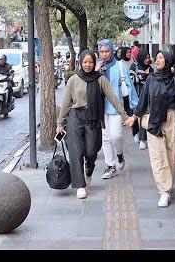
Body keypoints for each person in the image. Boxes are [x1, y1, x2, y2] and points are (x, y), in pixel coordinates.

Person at [56, 50, 130, 199]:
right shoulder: (74, 80)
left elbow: (113, 98)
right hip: (75, 117)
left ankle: (89, 170)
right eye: (85, 62)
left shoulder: (100, 79)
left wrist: (123, 115)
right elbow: (66, 103)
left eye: (90, 62)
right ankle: (80, 185)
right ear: (81, 63)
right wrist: (60, 122)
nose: (88, 65)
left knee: (91, 151)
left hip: (92, 118)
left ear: (94, 63)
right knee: (76, 152)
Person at [125, 51, 175, 207]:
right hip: (154, 119)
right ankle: (164, 191)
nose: (156, 60)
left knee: (172, 155)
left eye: (161, 57)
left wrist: (173, 69)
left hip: (172, 119)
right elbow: (143, 100)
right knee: (158, 156)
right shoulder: (151, 79)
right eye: (156, 57)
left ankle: (168, 185)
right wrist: (134, 117)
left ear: (169, 60)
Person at [96, 39, 139, 178]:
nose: (104, 54)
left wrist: (136, 108)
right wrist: (96, 71)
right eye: (101, 52)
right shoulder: (96, 67)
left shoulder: (120, 66)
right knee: (105, 138)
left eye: (107, 51)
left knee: (116, 136)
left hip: (116, 108)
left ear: (112, 51)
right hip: (100, 108)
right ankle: (110, 165)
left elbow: (130, 87)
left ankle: (119, 155)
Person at [129, 48, 154, 150]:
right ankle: (136, 133)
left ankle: (143, 139)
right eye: (145, 58)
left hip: (146, 97)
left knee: (144, 116)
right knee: (135, 115)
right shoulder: (133, 66)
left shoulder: (150, 68)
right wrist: (144, 75)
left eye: (148, 58)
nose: (147, 60)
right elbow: (131, 79)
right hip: (136, 95)